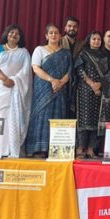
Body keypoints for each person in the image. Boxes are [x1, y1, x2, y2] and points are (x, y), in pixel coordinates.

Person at [25, 24, 72, 157]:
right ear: (46, 36)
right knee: (41, 115)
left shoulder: (66, 53)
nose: (53, 35)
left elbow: (70, 71)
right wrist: (52, 80)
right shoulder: (39, 50)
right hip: (43, 86)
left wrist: (60, 82)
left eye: (56, 33)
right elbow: (36, 68)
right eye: (50, 33)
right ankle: (39, 148)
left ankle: (56, 149)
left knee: (58, 114)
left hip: (60, 89)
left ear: (60, 36)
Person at [0, 24, 32, 158]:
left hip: (15, 89)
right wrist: (5, 79)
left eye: (17, 34)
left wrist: (14, 81)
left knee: (12, 118)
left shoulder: (24, 52)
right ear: (6, 34)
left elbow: (26, 72)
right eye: (11, 32)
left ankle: (10, 149)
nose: (14, 35)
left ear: (20, 37)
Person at [74, 31, 110, 159]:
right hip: (85, 90)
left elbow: (109, 74)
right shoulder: (83, 54)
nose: (96, 41)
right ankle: (80, 148)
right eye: (94, 39)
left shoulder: (105, 56)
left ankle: (91, 149)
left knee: (97, 120)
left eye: (98, 39)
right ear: (89, 40)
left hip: (101, 91)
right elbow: (80, 70)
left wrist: (99, 85)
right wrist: (92, 84)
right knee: (84, 120)